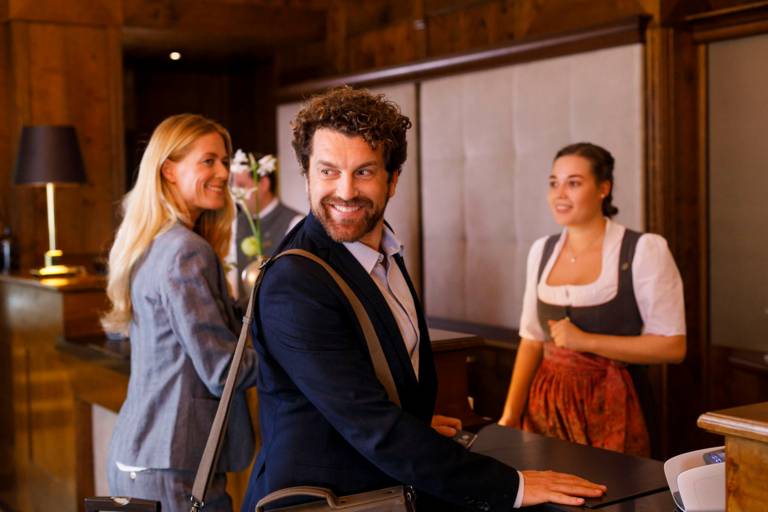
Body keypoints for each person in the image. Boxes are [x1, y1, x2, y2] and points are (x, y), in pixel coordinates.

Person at [241, 87, 606, 511]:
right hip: (327, 502)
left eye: (363, 172)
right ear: (305, 175)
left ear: (392, 179)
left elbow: (373, 385)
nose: (344, 191)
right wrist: (513, 486)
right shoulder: (295, 282)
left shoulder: (383, 251)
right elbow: (370, 425)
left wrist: (414, 423)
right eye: (327, 172)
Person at [101, 114, 259, 511]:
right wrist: (297, 353)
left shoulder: (153, 242)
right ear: (169, 169)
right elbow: (223, 370)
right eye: (209, 161)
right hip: (174, 464)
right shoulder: (187, 250)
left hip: (143, 457)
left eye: (225, 161)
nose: (224, 172)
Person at [498, 142, 687, 457]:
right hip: (546, 406)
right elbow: (531, 341)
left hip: (615, 405)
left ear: (603, 188)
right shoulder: (541, 250)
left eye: (573, 183)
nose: (560, 194)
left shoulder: (643, 250)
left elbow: (673, 346)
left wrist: (585, 340)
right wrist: (509, 416)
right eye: (554, 183)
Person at [229, 150, 303, 301]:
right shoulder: (234, 223)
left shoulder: (295, 223)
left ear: (263, 183)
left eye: (241, 185)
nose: (234, 193)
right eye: (232, 186)